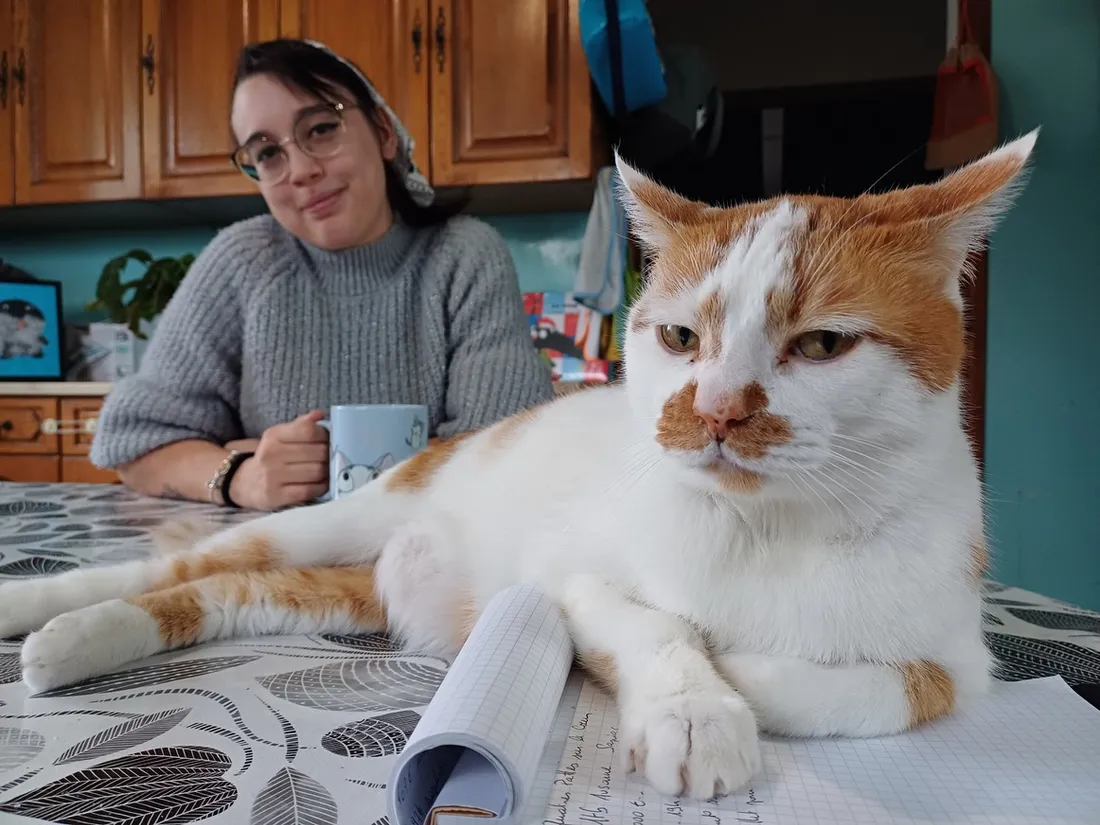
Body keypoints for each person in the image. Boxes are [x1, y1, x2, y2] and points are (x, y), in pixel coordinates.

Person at [89, 38, 554, 511]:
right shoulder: (241, 261)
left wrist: (279, 456)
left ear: (383, 132)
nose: (301, 171)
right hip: (264, 565)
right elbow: (136, 444)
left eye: (321, 128)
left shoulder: (464, 257)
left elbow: (502, 451)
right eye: (267, 153)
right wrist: (238, 475)